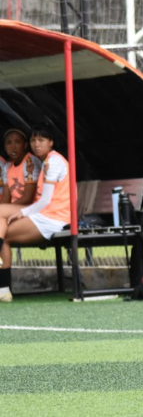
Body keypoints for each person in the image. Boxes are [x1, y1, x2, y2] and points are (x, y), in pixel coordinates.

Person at [0, 125, 69, 303]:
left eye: (41, 140)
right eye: (34, 140)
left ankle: (3, 289)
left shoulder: (52, 162)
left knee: (4, 231)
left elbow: (44, 201)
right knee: (3, 233)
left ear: (51, 142)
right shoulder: (46, 161)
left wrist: (22, 212)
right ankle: (3, 290)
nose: (36, 144)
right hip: (44, 214)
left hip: (53, 217)